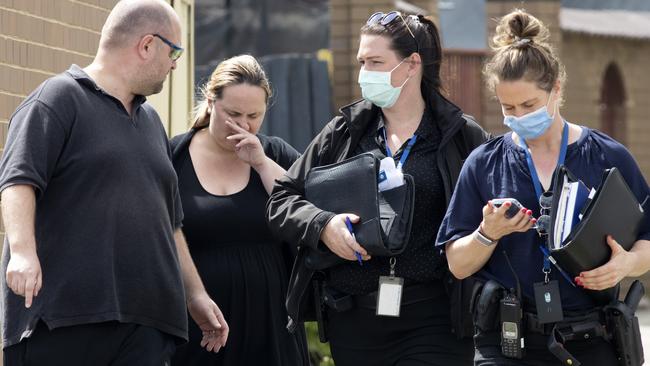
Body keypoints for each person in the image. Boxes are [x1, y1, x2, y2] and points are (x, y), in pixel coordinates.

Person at [0, 1, 228, 365]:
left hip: (146, 325)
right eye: (175, 52)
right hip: (64, 321)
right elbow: (17, 181)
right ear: (148, 45)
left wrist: (195, 294)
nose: (175, 64)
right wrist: (23, 251)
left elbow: (170, 222)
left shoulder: (152, 121)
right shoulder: (58, 99)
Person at [267, 11, 490, 366]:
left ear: (411, 64)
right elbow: (282, 198)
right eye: (361, 61)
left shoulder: (461, 136)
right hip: (354, 318)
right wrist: (324, 225)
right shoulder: (345, 131)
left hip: (435, 318)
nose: (363, 73)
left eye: (375, 61)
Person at [436, 9, 650, 366]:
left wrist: (626, 264)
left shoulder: (608, 156)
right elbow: (457, 265)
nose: (519, 117)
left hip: (589, 340)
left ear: (557, 90)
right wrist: (487, 234)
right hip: (505, 342)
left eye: (529, 105)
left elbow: (647, 236)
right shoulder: (483, 162)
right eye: (509, 107)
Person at [169, 55, 308, 366]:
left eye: (254, 116)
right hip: (199, 324)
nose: (244, 125)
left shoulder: (274, 154)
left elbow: (305, 208)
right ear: (210, 101)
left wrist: (260, 163)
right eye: (233, 113)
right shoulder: (173, 158)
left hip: (271, 323)